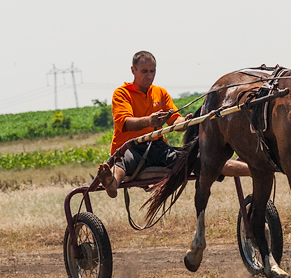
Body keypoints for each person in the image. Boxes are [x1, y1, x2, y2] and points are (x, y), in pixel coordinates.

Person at [96, 50, 249, 197]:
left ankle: (255, 169)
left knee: (207, 159)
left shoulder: (160, 92)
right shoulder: (122, 93)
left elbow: (175, 120)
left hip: (158, 147)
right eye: (144, 71)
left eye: (152, 71)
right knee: (121, 162)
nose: (149, 75)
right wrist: (149, 120)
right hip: (130, 147)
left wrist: (185, 122)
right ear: (133, 70)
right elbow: (126, 122)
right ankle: (111, 182)